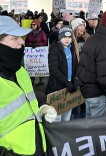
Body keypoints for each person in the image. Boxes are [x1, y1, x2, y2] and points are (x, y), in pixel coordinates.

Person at [0, 16, 57, 155]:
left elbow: (27, 103)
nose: (22, 41)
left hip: (37, 148)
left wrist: (41, 109)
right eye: (14, 38)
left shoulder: (21, 72)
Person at [78, 10, 106, 118]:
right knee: (97, 131)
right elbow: (105, 76)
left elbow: (83, 66)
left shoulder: (92, 38)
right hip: (100, 95)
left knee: (89, 129)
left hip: (89, 93)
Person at [45, 26, 79, 122]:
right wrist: (66, 82)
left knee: (67, 114)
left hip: (69, 86)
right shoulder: (54, 49)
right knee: (56, 116)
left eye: (69, 37)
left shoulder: (72, 49)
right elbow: (53, 69)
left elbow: (76, 66)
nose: (67, 40)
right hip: (57, 87)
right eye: (64, 37)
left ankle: (65, 134)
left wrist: (75, 80)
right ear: (60, 37)